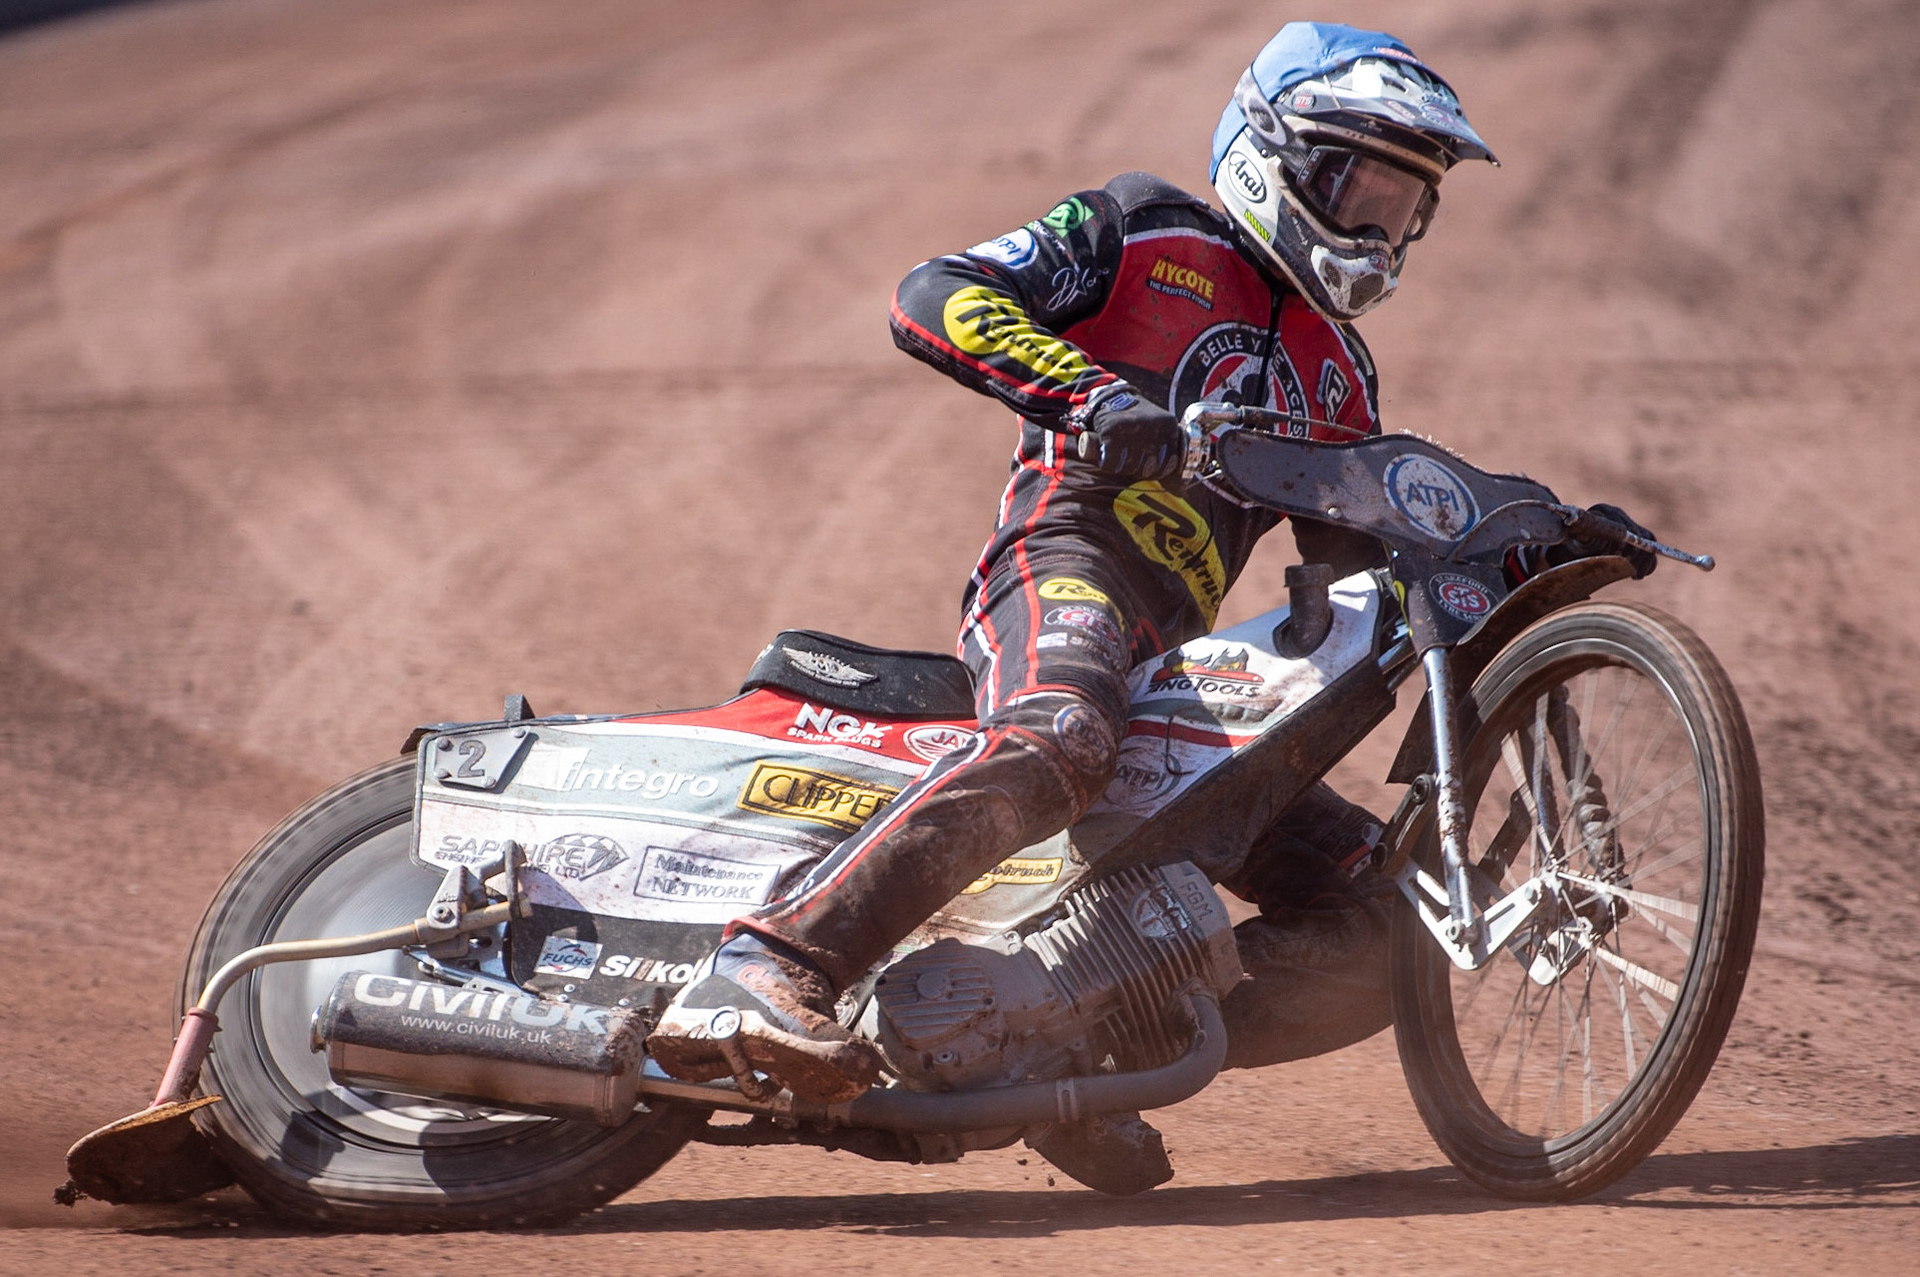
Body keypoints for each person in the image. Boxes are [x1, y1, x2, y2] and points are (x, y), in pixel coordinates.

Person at [647, 22, 1654, 1136]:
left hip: (1180, 662)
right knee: (1062, 735)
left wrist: (1527, 542)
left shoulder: (1341, 373)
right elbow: (935, 291)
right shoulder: (1143, 228)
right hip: (1062, 559)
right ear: (1276, 153)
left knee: (1389, 916)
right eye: (1357, 184)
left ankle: (1069, 1043)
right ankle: (774, 959)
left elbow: (1364, 555)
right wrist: (1091, 396)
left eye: (1402, 205)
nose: (1375, 227)